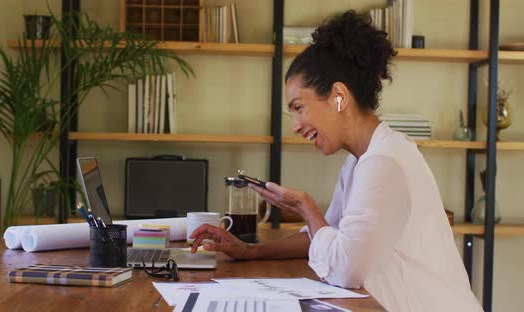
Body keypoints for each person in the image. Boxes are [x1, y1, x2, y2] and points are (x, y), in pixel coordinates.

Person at [189, 10, 482, 312]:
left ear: (339, 96)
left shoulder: (384, 162)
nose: (296, 125)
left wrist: (306, 207)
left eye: (299, 107)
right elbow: (328, 235)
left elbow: (346, 268)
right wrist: (250, 251)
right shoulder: (361, 160)